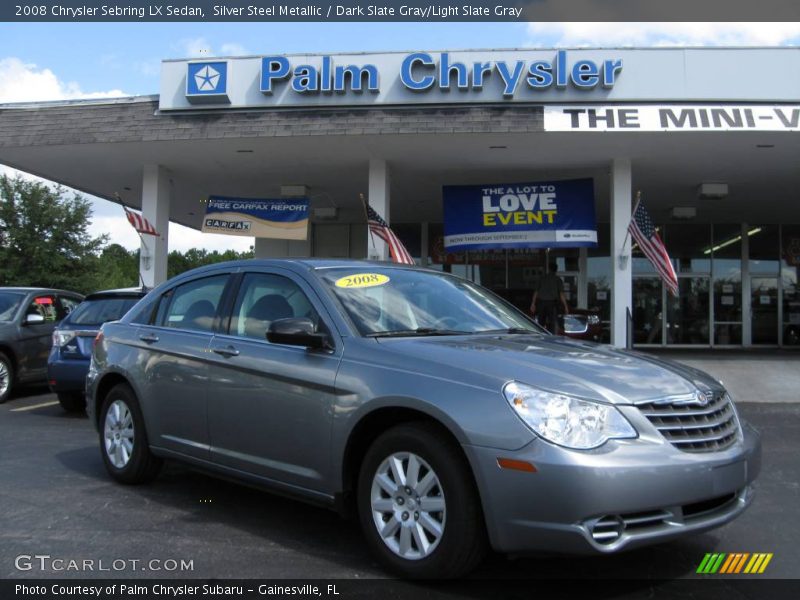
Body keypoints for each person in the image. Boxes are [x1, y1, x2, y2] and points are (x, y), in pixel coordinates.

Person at [530, 261, 570, 334]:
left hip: (541, 303)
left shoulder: (542, 278)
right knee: (552, 323)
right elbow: (561, 294)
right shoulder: (558, 280)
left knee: (540, 323)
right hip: (552, 304)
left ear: (549, 269)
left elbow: (536, 292)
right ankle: (551, 338)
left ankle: (540, 336)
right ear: (556, 270)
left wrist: (533, 303)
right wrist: (565, 306)